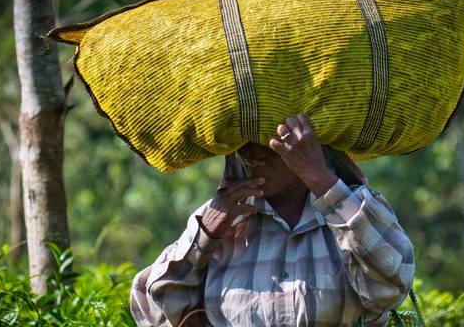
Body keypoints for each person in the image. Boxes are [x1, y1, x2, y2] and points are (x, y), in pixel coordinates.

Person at [130, 114, 415, 326]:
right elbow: (150, 303)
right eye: (244, 142)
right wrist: (204, 235)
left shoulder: (353, 209)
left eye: (269, 140)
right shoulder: (223, 220)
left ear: (307, 147)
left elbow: (392, 281)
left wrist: (321, 178)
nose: (253, 153)